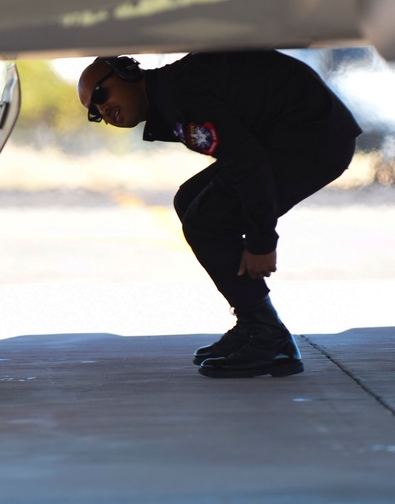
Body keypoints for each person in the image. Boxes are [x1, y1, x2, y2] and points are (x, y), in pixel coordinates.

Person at [76, 51, 362, 378]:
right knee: (190, 200)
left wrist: (261, 243)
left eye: (100, 95)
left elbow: (248, 165)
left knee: (205, 220)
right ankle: (254, 325)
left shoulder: (181, 97)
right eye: (94, 113)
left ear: (127, 72)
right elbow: (240, 154)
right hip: (298, 133)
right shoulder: (173, 91)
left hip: (312, 139)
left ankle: (268, 337)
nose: (103, 110)